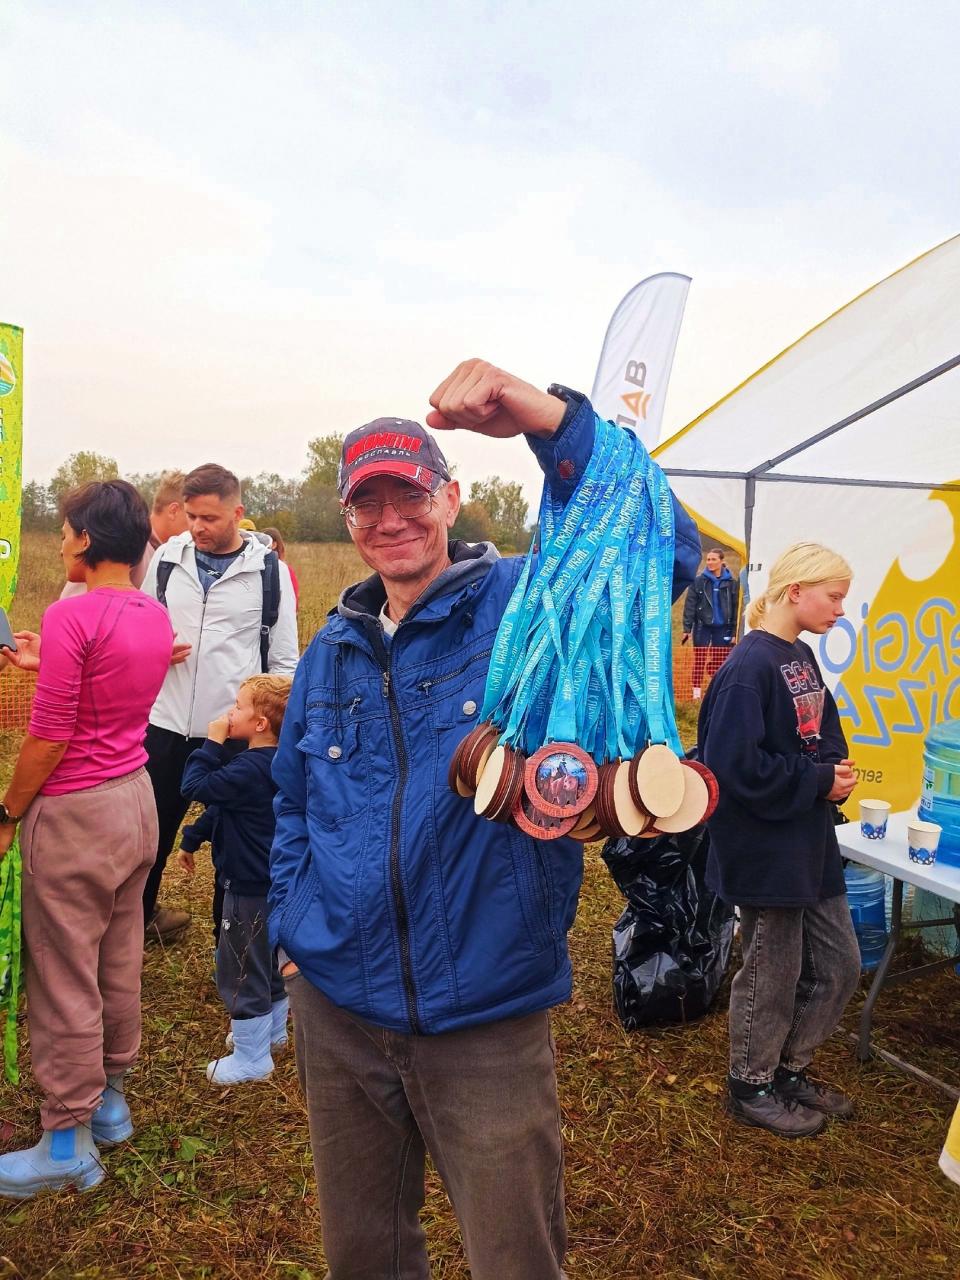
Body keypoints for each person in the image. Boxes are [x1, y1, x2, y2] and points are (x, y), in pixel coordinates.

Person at [269, 359, 701, 1279]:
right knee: (364, 1252)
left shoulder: (523, 604)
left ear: (452, 496)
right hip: (338, 1009)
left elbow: (661, 549)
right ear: (347, 519)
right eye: (367, 503)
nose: (391, 519)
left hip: (485, 1011)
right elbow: (294, 801)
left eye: (411, 494)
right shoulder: (330, 652)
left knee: (515, 1256)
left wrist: (547, 421)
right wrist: (292, 930)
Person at [0, 481, 173, 1199]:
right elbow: (112, 681)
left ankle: (66, 1142)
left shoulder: (70, 614)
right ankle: (110, 1104)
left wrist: (8, 812)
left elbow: (49, 737)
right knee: (117, 956)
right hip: (136, 800)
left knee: (63, 971)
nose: (60, 541)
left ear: (86, 538)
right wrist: (49, 662)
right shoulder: (152, 613)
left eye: (66, 530)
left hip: (74, 814)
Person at [697, 542, 861, 1139]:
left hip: (807, 840)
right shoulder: (748, 669)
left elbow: (823, 728)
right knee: (772, 969)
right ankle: (751, 1084)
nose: (840, 610)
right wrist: (816, 780)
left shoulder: (800, 656)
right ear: (796, 592)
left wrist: (833, 770)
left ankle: (788, 1070)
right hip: (765, 849)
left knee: (840, 963)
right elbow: (731, 768)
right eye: (834, 597)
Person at [140, 462, 299, 943]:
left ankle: (231, 945)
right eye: (191, 516)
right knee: (148, 838)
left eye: (209, 517)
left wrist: (270, 731)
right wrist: (153, 650)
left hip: (235, 734)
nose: (197, 527)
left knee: (237, 840)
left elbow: (284, 660)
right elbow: (138, 630)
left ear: (236, 512)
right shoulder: (167, 561)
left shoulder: (270, 573)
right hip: (165, 725)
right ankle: (136, 924)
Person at [178, 675, 293, 1084]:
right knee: (267, 959)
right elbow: (225, 806)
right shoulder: (278, 763)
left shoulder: (245, 767)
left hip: (246, 885)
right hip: (273, 882)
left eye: (239, 706)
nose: (230, 713)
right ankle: (272, 1033)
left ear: (260, 723)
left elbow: (194, 787)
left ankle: (251, 1056)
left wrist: (211, 743)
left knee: (240, 966)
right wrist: (194, 836)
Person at [59, 469, 188, 601]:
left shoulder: (162, 552)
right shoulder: (126, 541)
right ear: (173, 511)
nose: (196, 527)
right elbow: (78, 602)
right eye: (192, 516)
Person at [682, 546, 740, 699]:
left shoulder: (732, 583)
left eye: (713, 559)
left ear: (721, 561)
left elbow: (736, 608)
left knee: (720, 660)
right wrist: (687, 629)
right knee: (699, 659)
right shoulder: (698, 581)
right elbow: (690, 605)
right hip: (702, 626)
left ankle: (716, 690)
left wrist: (734, 631)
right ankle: (696, 693)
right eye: (708, 559)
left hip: (723, 628)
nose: (710, 562)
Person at [261, 527, 299, 608]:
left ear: (274, 545)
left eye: (264, 544)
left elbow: (292, 600)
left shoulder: (284, 569)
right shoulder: (258, 567)